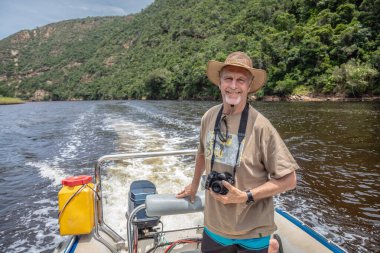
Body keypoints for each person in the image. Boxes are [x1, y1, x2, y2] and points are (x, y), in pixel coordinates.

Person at [176, 51, 298, 253]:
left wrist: (245, 196)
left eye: (241, 80)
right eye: (228, 79)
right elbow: (201, 153)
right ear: (219, 82)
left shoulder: (261, 127)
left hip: (253, 232)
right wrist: (194, 184)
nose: (233, 86)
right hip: (215, 228)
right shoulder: (209, 117)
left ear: (249, 86)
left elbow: (289, 179)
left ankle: (272, 245)